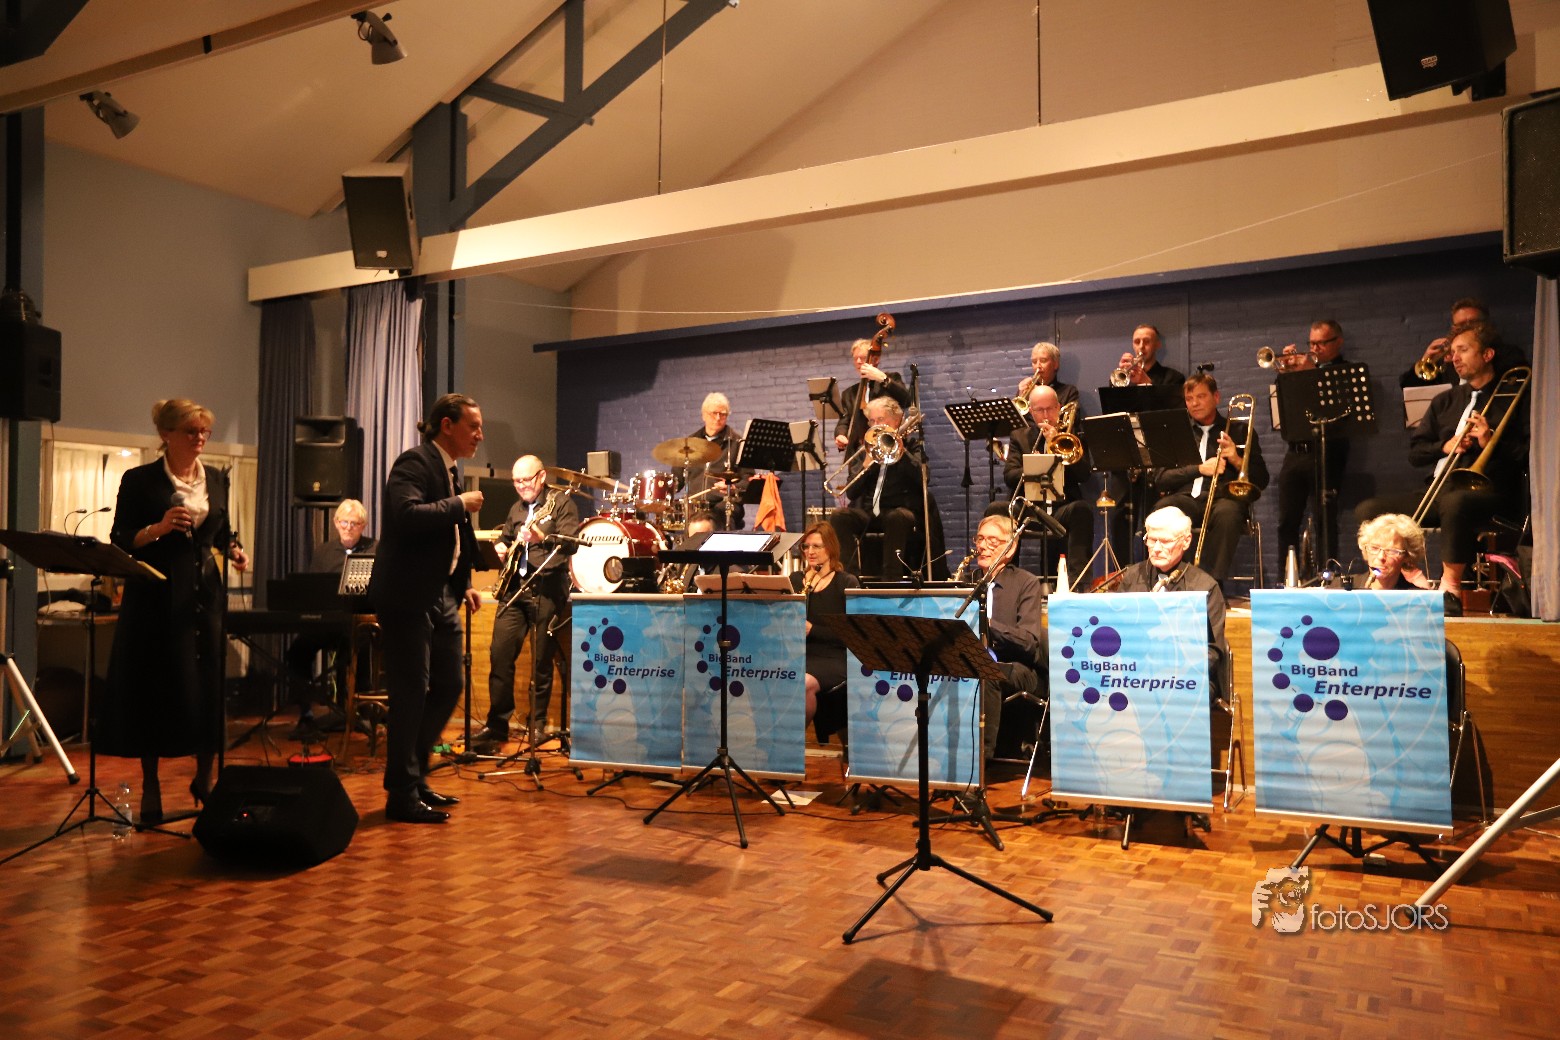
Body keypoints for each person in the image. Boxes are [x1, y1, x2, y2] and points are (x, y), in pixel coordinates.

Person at [99, 399, 248, 825]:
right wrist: (159, 528)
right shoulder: (140, 480)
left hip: (204, 598)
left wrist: (233, 549)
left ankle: (205, 780)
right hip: (155, 598)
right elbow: (120, 538)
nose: (200, 438)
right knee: (155, 690)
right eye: (190, 431)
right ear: (166, 435)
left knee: (208, 687)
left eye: (204, 431)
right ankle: (151, 786)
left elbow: (221, 531)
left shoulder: (216, 478)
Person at [367, 393, 485, 824]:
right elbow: (406, 514)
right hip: (407, 595)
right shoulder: (415, 462)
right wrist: (459, 504)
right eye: (473, 426)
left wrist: (463, 584)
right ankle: (401, 794)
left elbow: (450, 541)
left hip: (440, 594)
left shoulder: (449, 469)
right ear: (446, 425)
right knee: (411, 693)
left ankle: (414, 777)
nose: (480, 434)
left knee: (449, 684)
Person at [1353, 321, 1529, 606]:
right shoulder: (1445, 401)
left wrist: (1489, 442)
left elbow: (1526, 455)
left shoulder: (1513, 396)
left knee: (1455, 503)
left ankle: (1450, 590)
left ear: (1487, 355)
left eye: (1463, 350)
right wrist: (1444, 447)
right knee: (1369, 510)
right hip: (1439, 489)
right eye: (1453, 352)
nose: (1455, 358)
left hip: (1490, 494)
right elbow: (1416, 454)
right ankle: (1400, 577)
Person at [472, 456, 580, 753]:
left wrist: (542, 537)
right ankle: (497, 724)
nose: (521, 486)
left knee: (541, 661)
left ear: (542, 476)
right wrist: (501, 546)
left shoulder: (561, 504)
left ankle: (538, 724)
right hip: (515, 589)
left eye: (526, 480)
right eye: (516, 482)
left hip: (547, 588)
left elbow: (571, 543)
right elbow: (506, 538)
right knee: (500, 654)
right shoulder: (516, 509)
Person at [1149, 372, 1268, 589]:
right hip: (1185, 498)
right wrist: (1199, 469)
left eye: (1201, 396)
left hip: (1222, 498)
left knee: (1229, 513)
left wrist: (1236, 459)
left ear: (1216, 397)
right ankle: (1165, 582)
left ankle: (1211, 586)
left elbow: (1261, 480)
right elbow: (1160, 479)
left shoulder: (1239, 430)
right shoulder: (1178, 433)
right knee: (1162, 510)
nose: (1194, 403)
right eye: (1189, 399)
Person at [1112, 506, 1226, 706]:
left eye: (1165, 541)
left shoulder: (1205, 587)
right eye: (1151, 540)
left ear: (1186, 541)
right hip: (1137, 673)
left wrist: (1170, 676)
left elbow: (1212, 651)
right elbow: (1117, 632)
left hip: (1188, 677)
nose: (1156, 548)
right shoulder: (1132, 577)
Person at [989, 383, 1094, 586]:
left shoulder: (1074, 435)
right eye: (1039, 410)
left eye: (1050, 409)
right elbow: (1010, 475)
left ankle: (1078, 585)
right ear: (1031, 411)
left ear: (1059, 408)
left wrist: (1057, 449)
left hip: (1061, 508)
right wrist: (1034, 466)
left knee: (1082, 510)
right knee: (996, 509)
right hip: (1028, 508)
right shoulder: (1020, 436)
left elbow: (1084, 475)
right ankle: (1002, 580)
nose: (1046, 415)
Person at [286, 498, 376, 735]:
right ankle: (306, 714)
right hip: (327, 624)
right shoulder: (323, 552)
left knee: (358, 647)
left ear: (363, 525)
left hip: (359, 624)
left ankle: (360, 712)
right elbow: (313, 591)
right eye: (344, 522)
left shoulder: (375, 549)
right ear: (336, 523)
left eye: (354, 523)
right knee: (297, 651)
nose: (348, 527)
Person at [1275, 318, 1351, 576]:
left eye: (1321, 343)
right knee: (1287, 520)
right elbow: (1283, 405)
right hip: (1296, 452)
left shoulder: (1345, 371)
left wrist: (1310, 372)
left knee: (1324, 520)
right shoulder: (1302, 370)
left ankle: (1328, 576)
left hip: (1328, 454)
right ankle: (1286, 577)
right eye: (1311, 343)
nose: (1314, 349)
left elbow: (1340, 411)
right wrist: (1285, 373)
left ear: (1338, 342)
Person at [970, 514, 1047, 760]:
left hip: (1020, 667)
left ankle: (981, 761)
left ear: (1011, 548)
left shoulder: (1026, 583)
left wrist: (988, 625)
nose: (982, 546)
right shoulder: (967, 582)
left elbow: (1029, 642)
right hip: (974, 659)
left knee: (987, 671)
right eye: (980, 539)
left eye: (992, 541)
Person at [827, 397, 925, 581]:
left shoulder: (912, 446)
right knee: (839, 516)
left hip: (899, 510)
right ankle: (850, 578)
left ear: (896, 421)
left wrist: (902, 453)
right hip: (870, 512)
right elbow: (851, 492)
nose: (875, 425)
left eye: (880, 420)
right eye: (871, 421)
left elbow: (923, 479)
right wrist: (865, 465)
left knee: (897, 517)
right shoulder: (866, 449)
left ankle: (891, 581)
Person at [788, 522, 860, 741]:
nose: (810, 551)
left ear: (830, 548)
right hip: (799, 654)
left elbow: (853, 634)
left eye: (817, 546)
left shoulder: (845, 582)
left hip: (833, 657)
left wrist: (814, 630)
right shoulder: (795, 581)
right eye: (806, 546)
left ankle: (791, 744)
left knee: (803, 684)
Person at [1352, 513, 1461, 615]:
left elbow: (1452, 607)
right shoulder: (1346, 587)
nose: (1381, 557)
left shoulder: (1415, 597)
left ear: (1407, 556)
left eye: (1391, 551)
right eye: (1374, 548)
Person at [834, 337, 911, 463]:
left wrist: (882, 378)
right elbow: (844, 420)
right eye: (855, 358)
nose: (858, 362)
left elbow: (906, 400)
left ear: (876, 359)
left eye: (863, 358)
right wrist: (840, 434)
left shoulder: (890, 379)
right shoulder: (849, 393)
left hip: (887, 449)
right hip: (860, 455)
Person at [683, 392, 751, 530]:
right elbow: (676, 478)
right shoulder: (690, 444)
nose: (718, 418)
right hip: (695, 505)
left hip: (725, 503)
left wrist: (732, 487)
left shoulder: (737, 443)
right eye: (714, 413)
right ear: (704, 415)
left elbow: (748, 479)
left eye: (723, 414)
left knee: (720, 512)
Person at [1401, 298, 1487, 389]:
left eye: (1473, 322)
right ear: (1454, 328)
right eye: (1461, 324)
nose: (1467, 328)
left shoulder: (1494, 352)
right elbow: (1409, 387)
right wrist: (1426, 361)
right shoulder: (1445, 359)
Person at [1116, 324, 1186, 390]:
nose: (1141, 346)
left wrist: (1148, 384)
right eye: (1137, 342)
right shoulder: (1124, 377)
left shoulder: (1174, 378)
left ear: (1157, 345)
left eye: (1147, 341)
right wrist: (1122, 373)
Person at [1018, 340, 1079, 411]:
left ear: (1055, 364)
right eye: (1034, 362)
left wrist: (1042, 394)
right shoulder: (1026, 390)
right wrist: (1020, 395)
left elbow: (1072, 417)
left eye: (1043, 360)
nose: (1038, 366)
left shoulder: (1069, 392)